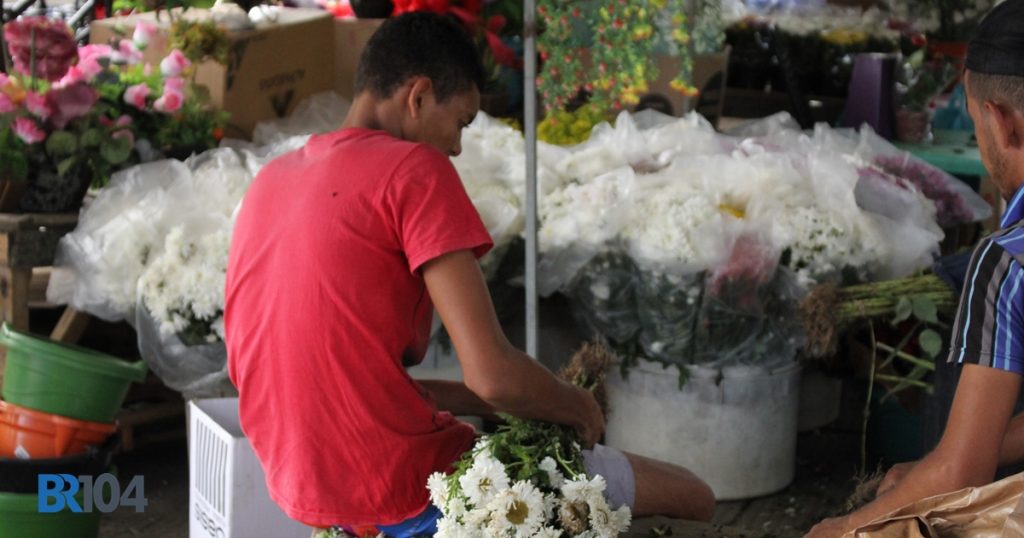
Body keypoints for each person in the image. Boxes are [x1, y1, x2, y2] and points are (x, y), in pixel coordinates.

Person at [225, 12, 714, 537]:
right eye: (461, 122)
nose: (458, 147)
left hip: (301, 484)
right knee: (693, 495)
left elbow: (301, 370)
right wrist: (579, 406)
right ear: (418, 96)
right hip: (400, 483)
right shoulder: (414, 169)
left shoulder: (272, 178)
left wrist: (502, 398)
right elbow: (494, 376)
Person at [807, 1, 1024, 536]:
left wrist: (839, 529)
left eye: (975, 123)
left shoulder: (1007, 263)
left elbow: (959, 477)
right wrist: (971, 448)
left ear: (1000, 121)